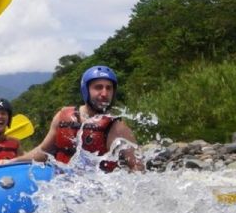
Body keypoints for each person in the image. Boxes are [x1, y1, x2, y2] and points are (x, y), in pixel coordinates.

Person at [8, 65, 144, 172]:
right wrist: (15, 161)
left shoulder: (117, 127)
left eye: (109, 88)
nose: (104, 93)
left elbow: (137, 167)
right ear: (86, 90)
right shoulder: (63, 117)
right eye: (98, 87)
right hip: (62, 187)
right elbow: (44, 152)